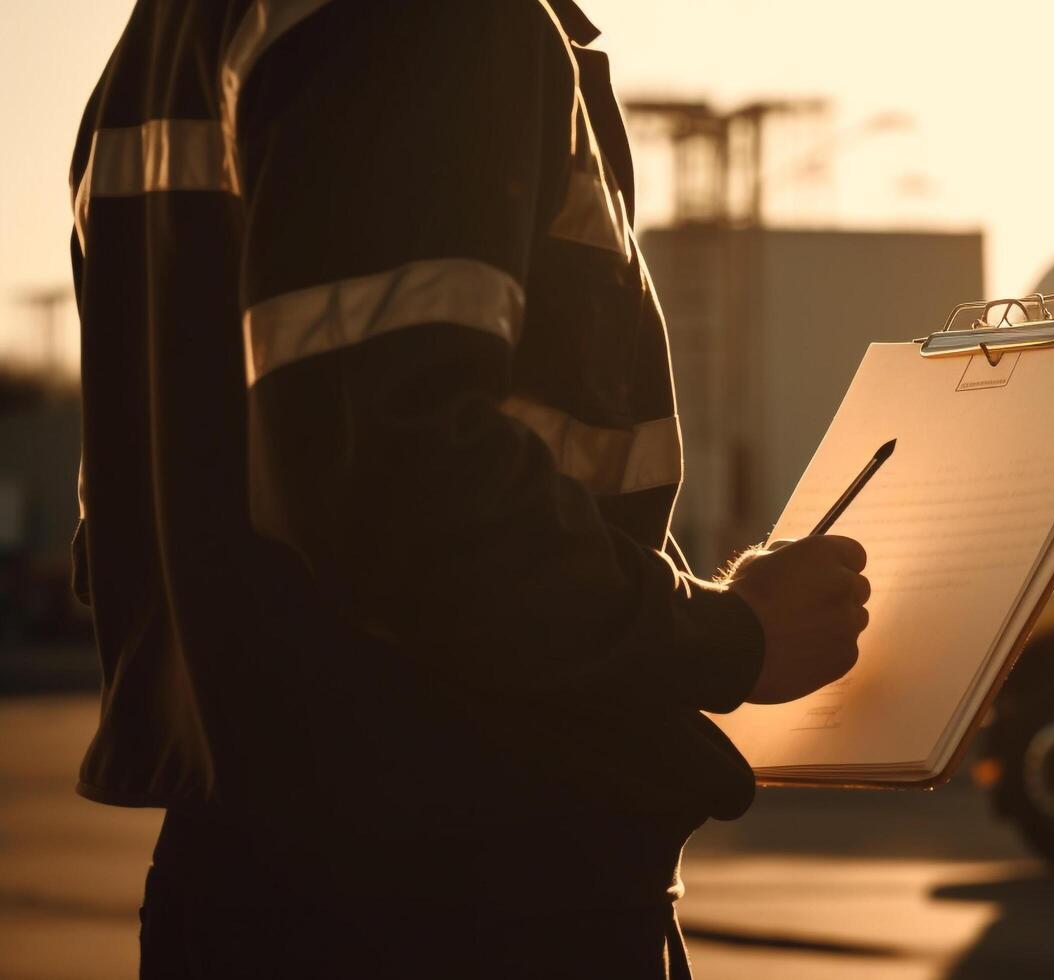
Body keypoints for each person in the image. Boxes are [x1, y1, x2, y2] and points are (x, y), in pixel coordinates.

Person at [68, 1, 869, 975]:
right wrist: (726, 636)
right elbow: (400, 484)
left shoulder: (167, 40)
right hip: (468, 890)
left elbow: (198, 491)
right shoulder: (435, 19)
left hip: (248, 871)